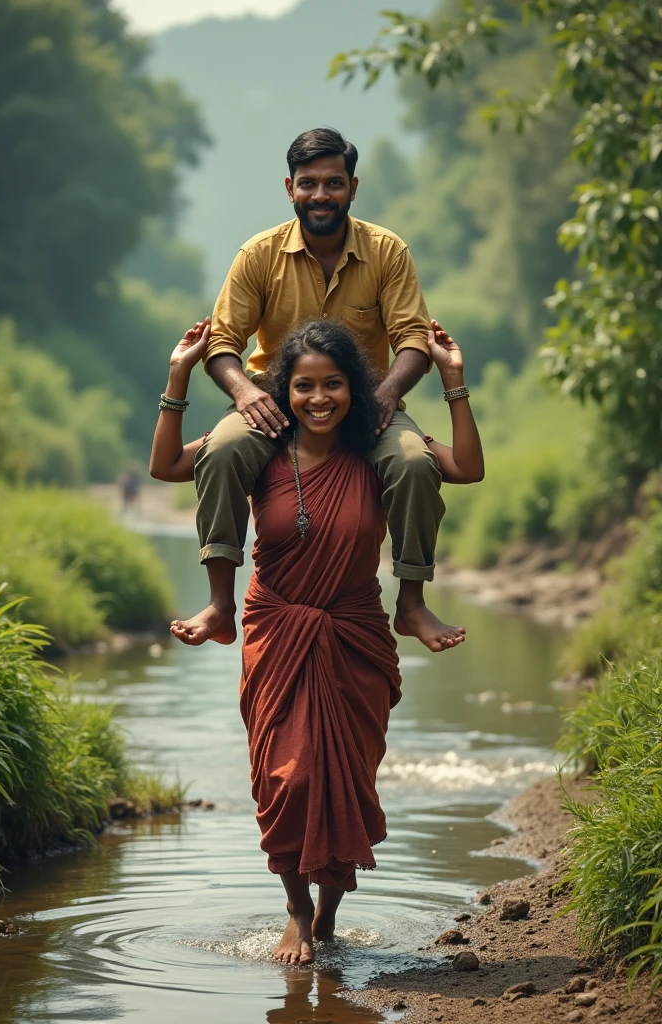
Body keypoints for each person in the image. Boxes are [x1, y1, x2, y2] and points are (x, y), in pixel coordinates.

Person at [149, 318, 483, 966]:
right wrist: (178, 374)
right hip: (276, 629)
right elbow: (166, 465)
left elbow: (465, 467)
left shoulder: (377, 451)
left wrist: (453, 377)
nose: (319, 398)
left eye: (333, 384)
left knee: (347, 785)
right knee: (289, 780)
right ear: (285, 390)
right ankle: (297, 912)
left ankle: (328, 913)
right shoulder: (262, 452)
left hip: (355, 633)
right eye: (304, 386)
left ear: (355, 389)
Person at [169, 127, 484, 655]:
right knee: (221, 452)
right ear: (289, 188)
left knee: (412, 464)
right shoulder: (258, 254)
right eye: (308, 184)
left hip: (368, 404)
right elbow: (222, 341)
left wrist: (384, 396)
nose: (321, 195)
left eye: (333, 183)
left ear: (353, 187)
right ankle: (221, 603)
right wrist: (246, 395)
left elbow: (413, 338)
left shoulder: (387, 251)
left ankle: (410, 601)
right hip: (272, 401)